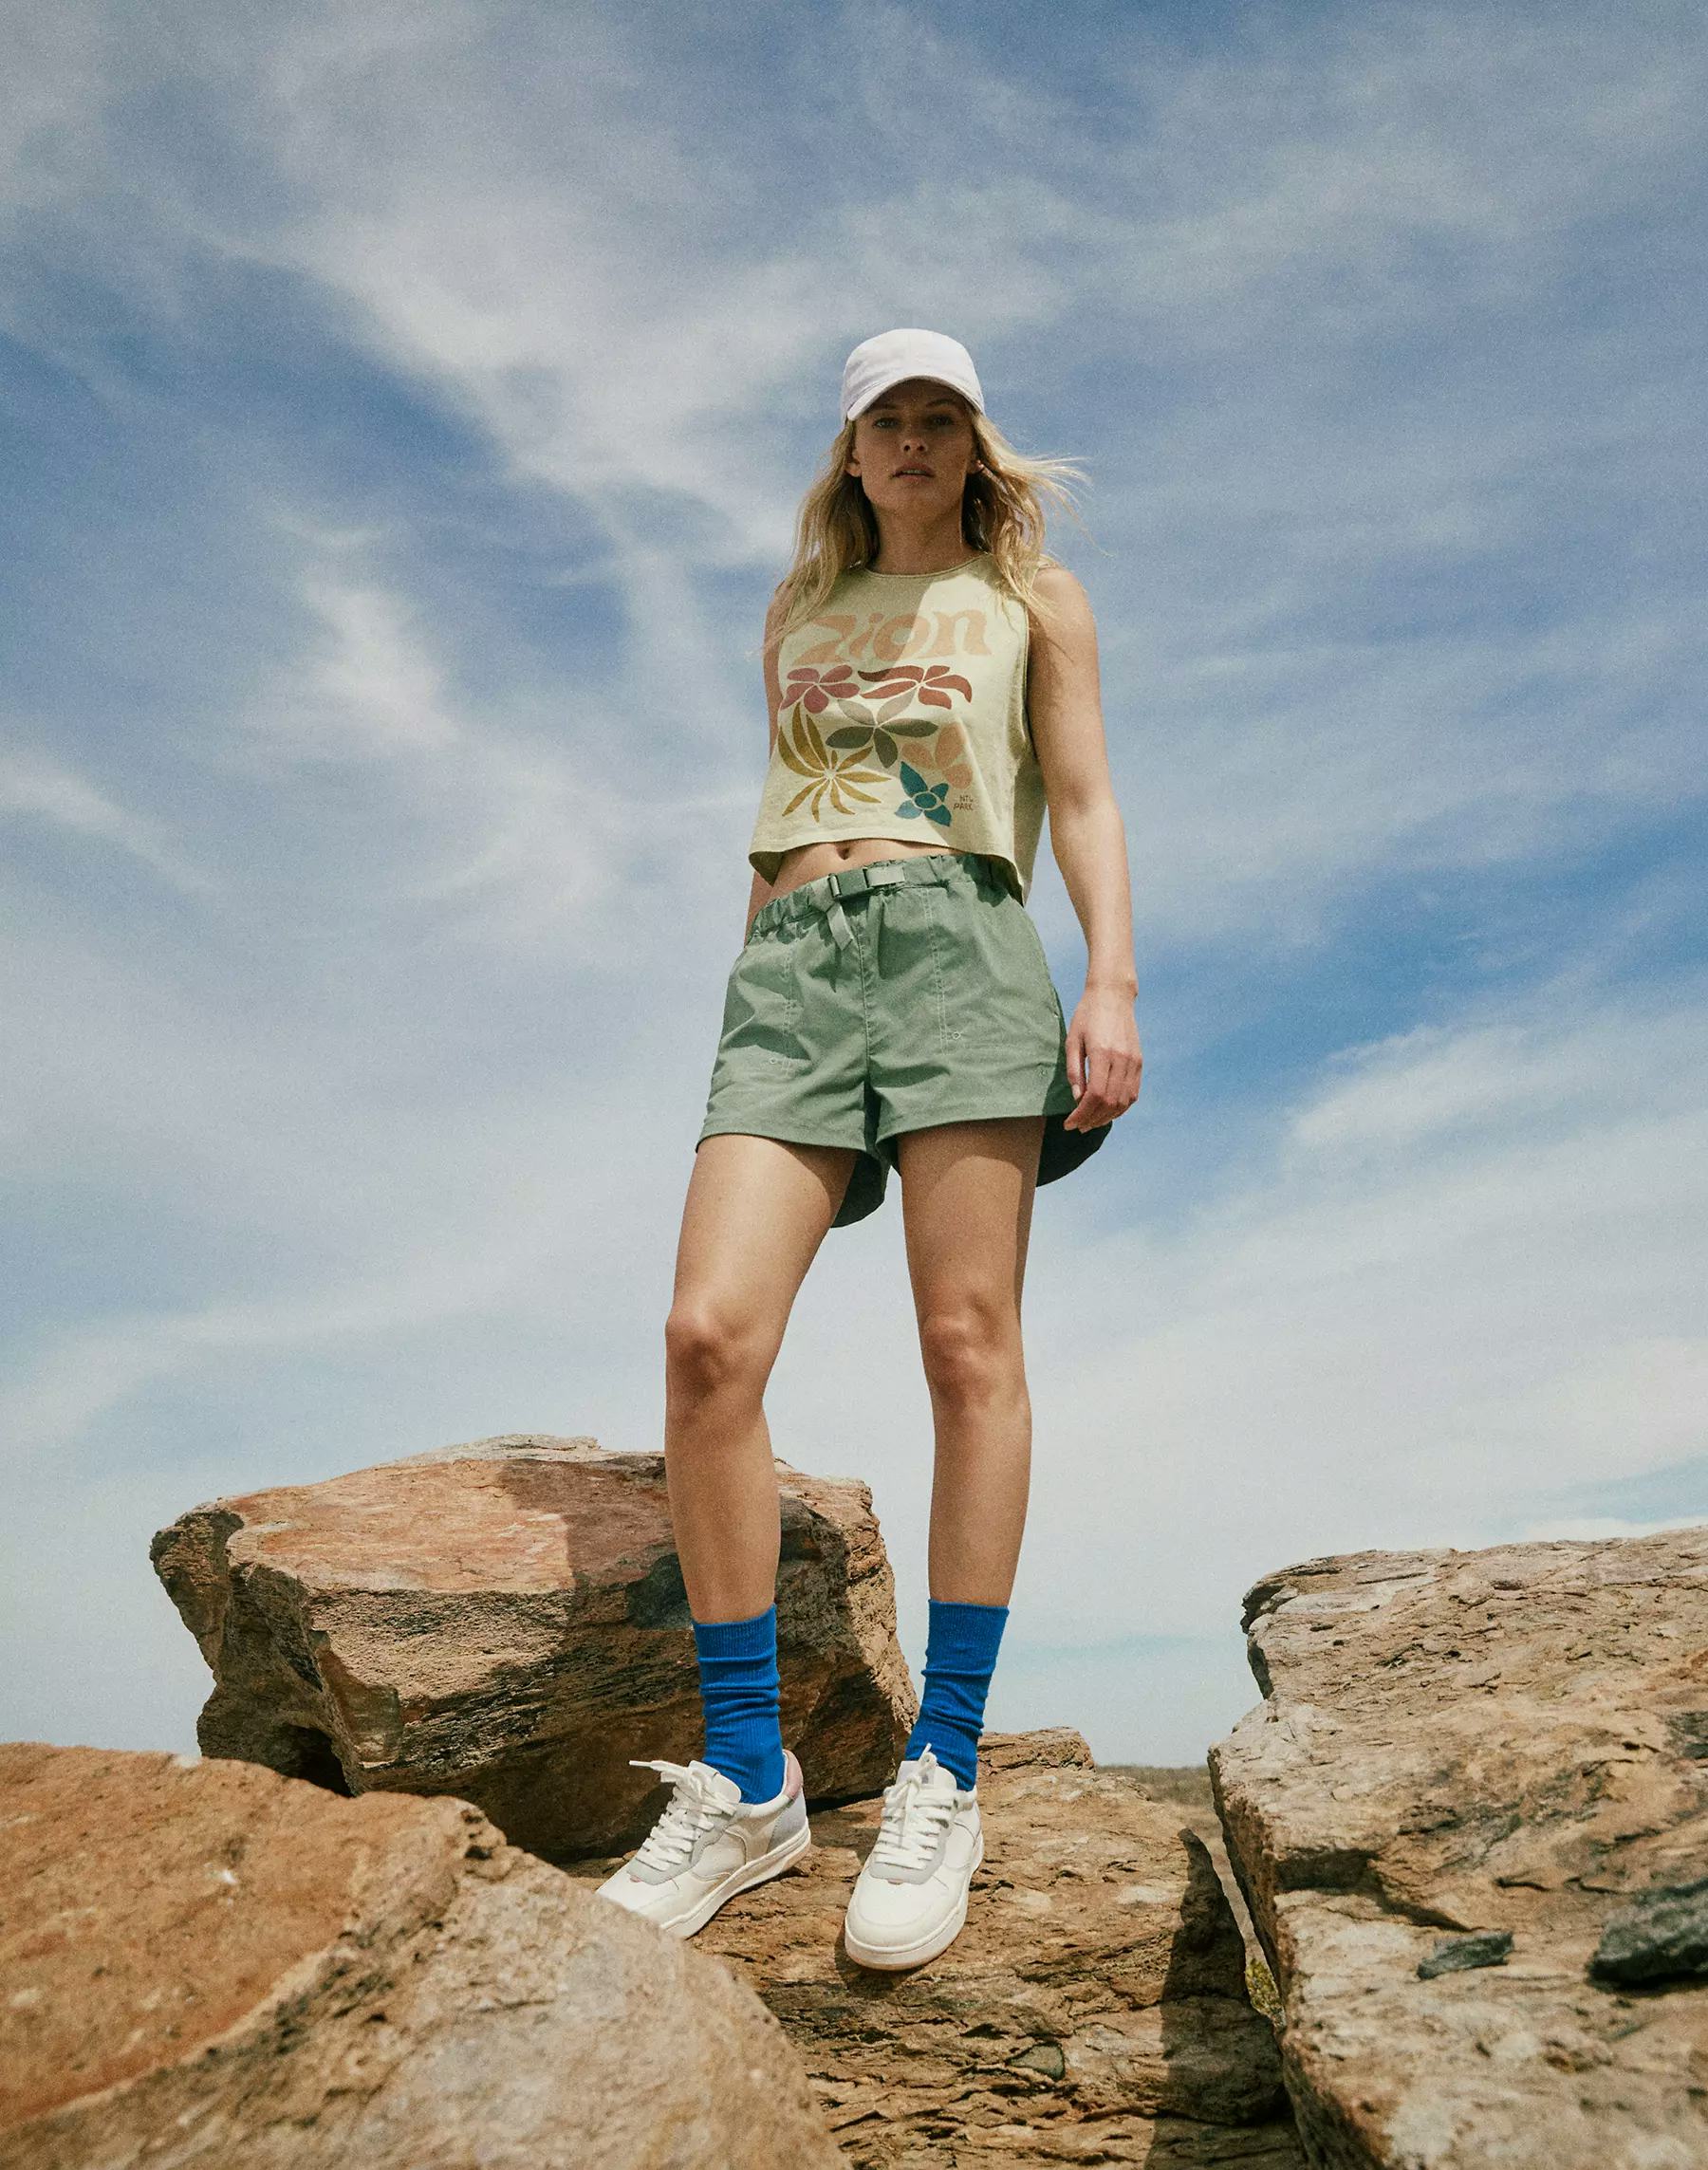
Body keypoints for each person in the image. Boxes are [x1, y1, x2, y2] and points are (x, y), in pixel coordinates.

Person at [596, 327, 1142, 1969]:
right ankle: (750, 1779)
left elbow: (1086, 798)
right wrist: (763, 981)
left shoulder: (1032, 603)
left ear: (977, 447)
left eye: (939, 419)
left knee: (967, 1344)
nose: (911, 442)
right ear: (848, 451)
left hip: (964, 938)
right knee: (708, 1341)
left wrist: (1107, 976)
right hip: (795, 963)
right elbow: (775, 811)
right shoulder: (795, 613)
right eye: (884, 420)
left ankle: (944, 1767)